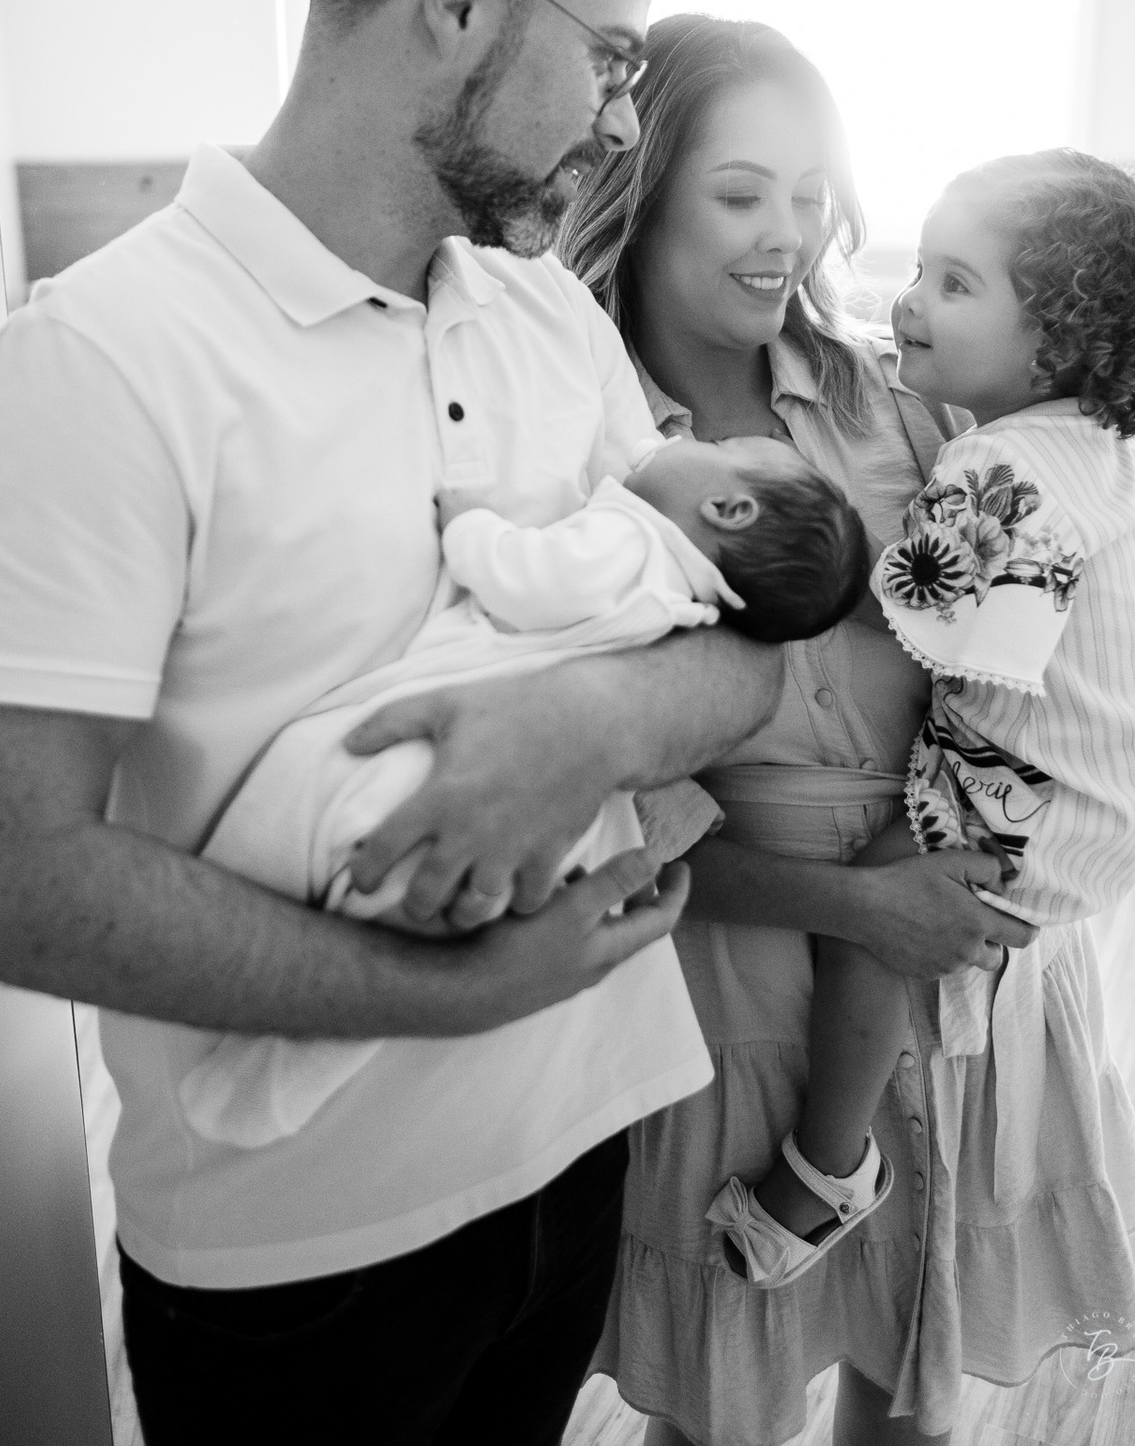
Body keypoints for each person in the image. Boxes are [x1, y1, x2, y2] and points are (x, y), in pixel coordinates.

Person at [0, 0, 790, 1446]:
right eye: (613, 58)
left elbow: (746, 658)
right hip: (298, 1266)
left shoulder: (544, 319)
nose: (623, 120)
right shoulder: (94, 366)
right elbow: (14, 876)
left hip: (580, 1154)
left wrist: (588, 721)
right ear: (459, 2)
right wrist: (455, 988)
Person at [559, 17, 1135, 1446]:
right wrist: (852, 901)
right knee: (730, 1403)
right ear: (651, 186)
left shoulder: (907, 402)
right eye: (743, 192)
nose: (786, 235)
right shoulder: (584, 442)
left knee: (914, 1384)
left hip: (959, 965)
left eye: (811, 195)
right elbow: (599, 802)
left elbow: (1039, 663)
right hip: (735, 981)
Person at [707, 149, 1135, 1292]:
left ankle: (829, 1165)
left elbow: (902, 611)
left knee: (880, 897)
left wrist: (776, 527)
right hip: (1118, 795)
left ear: (1056, 344)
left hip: (1047, 792)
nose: (913, 302)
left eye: (957, 285)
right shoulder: (1096, 453)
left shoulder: (998, 462)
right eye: (920, 269)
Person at [180, 432, 869, 1149]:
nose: (682, 435)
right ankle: (285, 1061)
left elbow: (528, 580)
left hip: (455, 755)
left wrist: (471, 524)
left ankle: (289, 1041)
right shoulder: (687, 600)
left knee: (354, 850)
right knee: (379, 908)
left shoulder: (633, 543)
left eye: (717, 443)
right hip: (532, 799)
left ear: (727, 507)